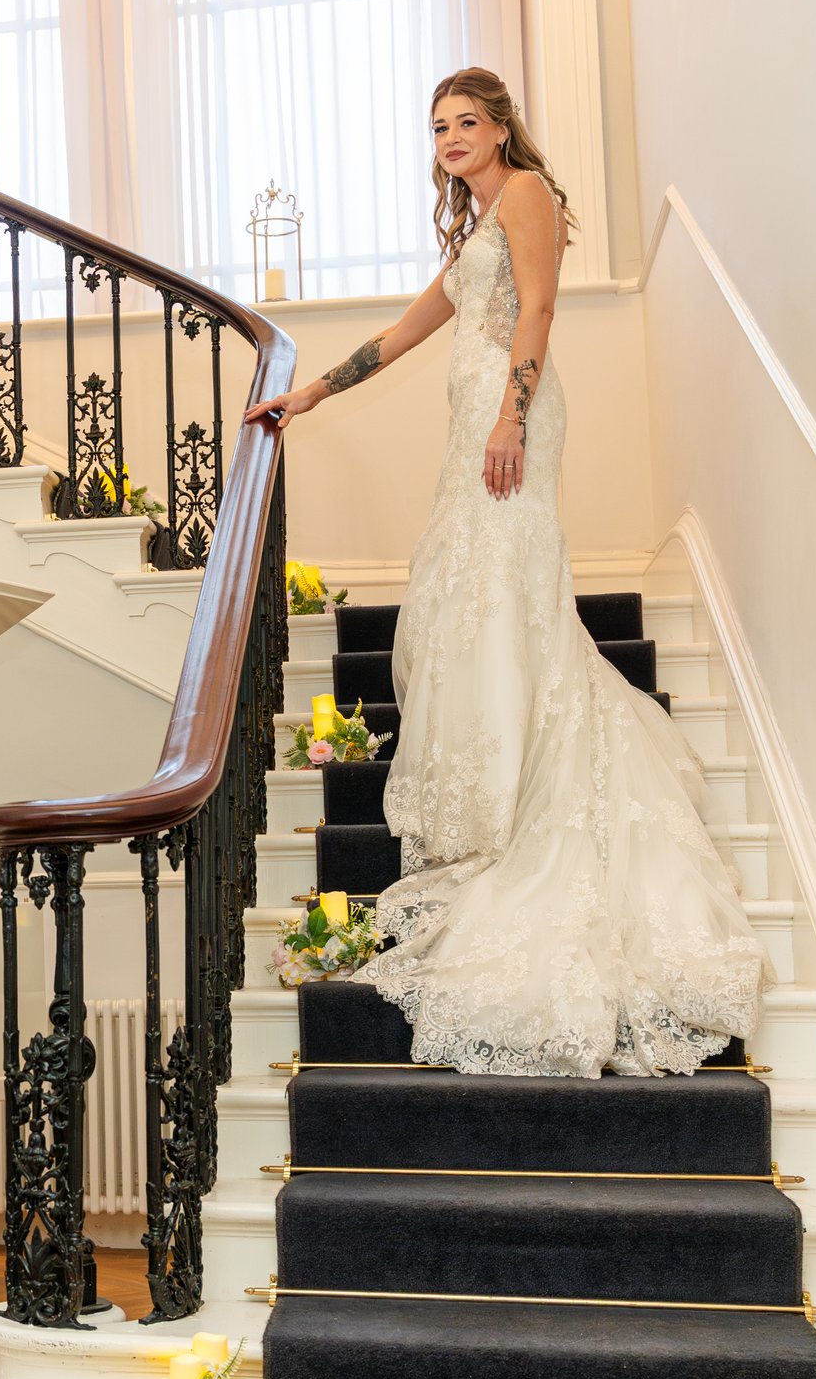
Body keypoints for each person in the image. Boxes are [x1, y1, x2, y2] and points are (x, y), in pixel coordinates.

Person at [245, 68, 762, 1076]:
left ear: (498, 128)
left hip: (508, 419)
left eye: (465, 122)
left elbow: (537, 315)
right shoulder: (472, 228)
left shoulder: (524, 195)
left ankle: (518, 780)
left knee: (496, 578)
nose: (449, 137)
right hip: (471, 421)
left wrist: (510, 415)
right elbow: (400, 333)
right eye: (437, 125)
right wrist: (305, 394)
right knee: (464, 584)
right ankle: (491, 774)